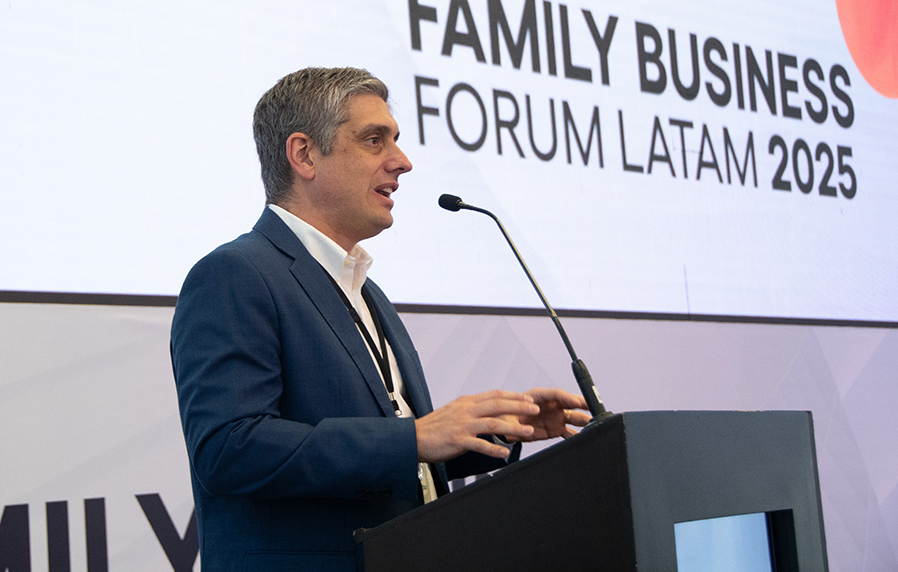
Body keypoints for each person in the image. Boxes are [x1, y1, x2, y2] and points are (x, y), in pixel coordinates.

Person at [170, 67, 590, 571]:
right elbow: (229, 448)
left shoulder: (367, 291)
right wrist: (415, 437)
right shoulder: (235, 275)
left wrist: (495, 430)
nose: (403, 162)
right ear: (304, 155)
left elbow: (389, 454)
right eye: (374, 140)